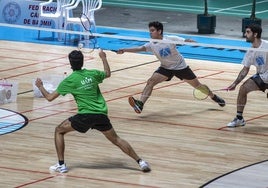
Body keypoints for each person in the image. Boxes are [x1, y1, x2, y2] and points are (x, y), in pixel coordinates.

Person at [35, 49, 151, 173]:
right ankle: (140, 162)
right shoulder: (92, 74)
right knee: (116, 140)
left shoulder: (69, 80)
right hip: (101, 115)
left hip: (85, 116)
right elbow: (107, 73)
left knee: (59, 130)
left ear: (70, 64)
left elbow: (49, 98)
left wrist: (40, 86)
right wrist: (103, 57)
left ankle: (61, 165)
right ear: (82, 62)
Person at [117, 21, 225, 114]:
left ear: (159, 31)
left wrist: (189, 41)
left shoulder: (170, 39)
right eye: (150, 30)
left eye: (152, 30)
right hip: (166, 68)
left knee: (198, 86)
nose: (150, 33)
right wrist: (124, 50)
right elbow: (140, 48)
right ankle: (140, 104)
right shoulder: (151, 44)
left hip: (180, 67)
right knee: (150, 82)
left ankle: (213, 96)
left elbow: (183, 40)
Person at [227, 24, 268, 127]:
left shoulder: (266, 46)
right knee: (243, 89)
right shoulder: (250, 52)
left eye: (248, 32)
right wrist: (235, 83)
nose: (245, 34)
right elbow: (245, 69)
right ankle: (239, 118)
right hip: (262, 76)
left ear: (255, 34)